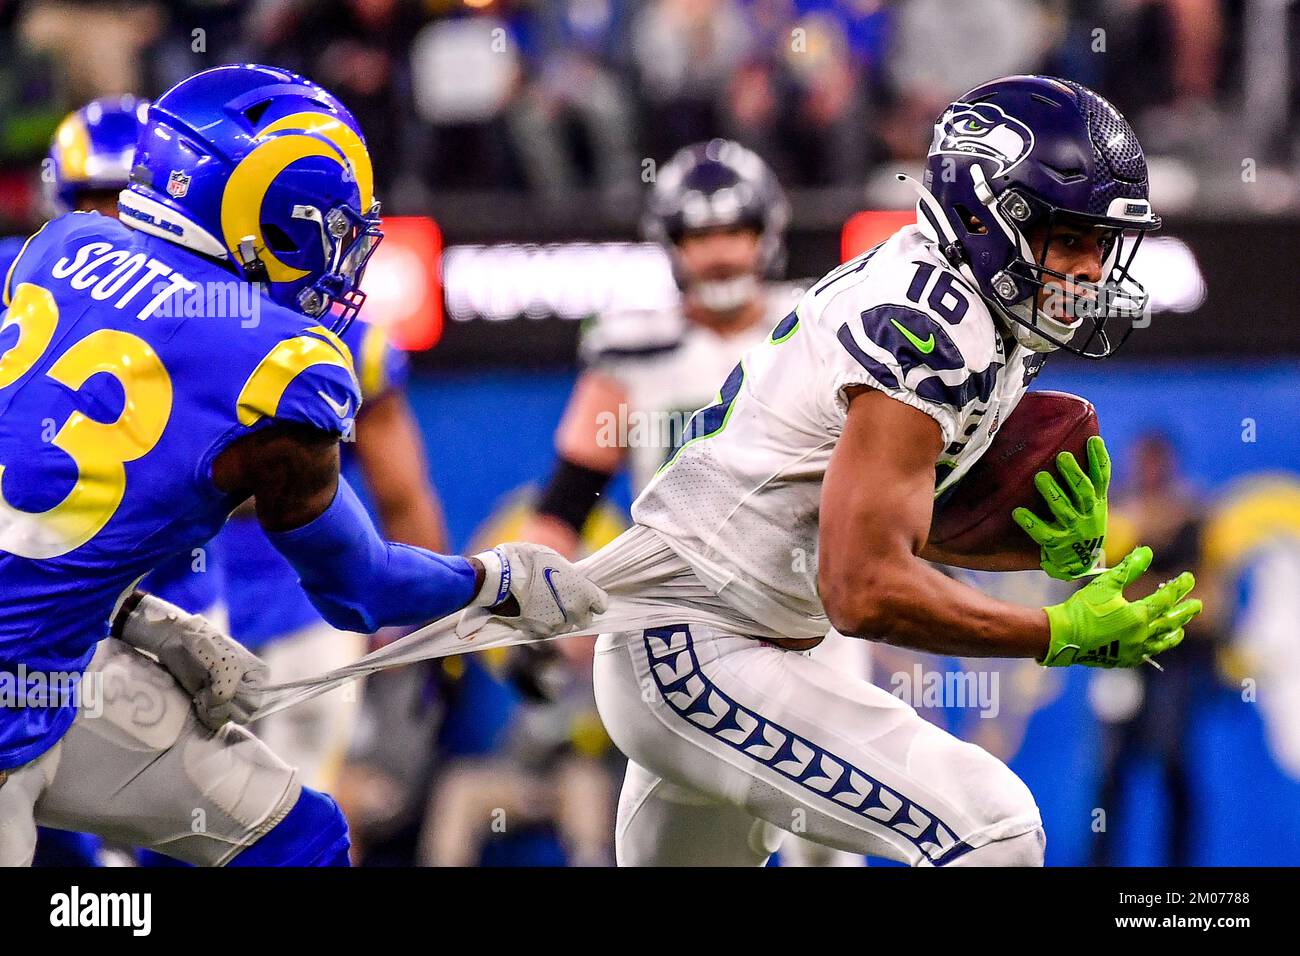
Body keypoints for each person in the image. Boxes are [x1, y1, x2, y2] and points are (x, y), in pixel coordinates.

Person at [583, 75, 1201, 865]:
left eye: (1102, 244)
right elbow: (863, 587)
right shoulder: (932, 328)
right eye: (1069, 238)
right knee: (995, 830)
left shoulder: (964, 299)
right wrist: (1056, 632)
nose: (1089, 270)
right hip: (696, 645)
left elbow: (877, 520)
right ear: (985, 214)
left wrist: (1048, 557)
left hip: (722, 639)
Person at [0, 64, 605, 867]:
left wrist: (138, 617)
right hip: (29, 693)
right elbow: (358, 590)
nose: (340, 252)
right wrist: (494, 582)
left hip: (57, 664)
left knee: (299, 838)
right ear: (262, 213)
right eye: (331, 225)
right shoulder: (278, 362)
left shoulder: (58, 248)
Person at [524, 137, 865, 865]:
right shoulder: (632, 351)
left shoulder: (819, 328)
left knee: (828, 838)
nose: (718, 255)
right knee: (686, 839)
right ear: (670, 244)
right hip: (687, 618)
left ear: (765, 235)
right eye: (699, 235)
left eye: (734, 231)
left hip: (812, 607)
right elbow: (564, 506)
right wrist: (532, 615)